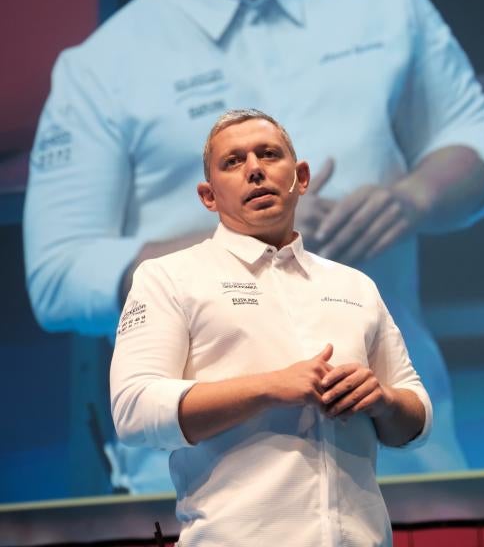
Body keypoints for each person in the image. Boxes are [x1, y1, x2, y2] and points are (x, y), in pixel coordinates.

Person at [23, 0, 484, 491]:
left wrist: (411, 198)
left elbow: (474, 140)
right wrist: (251, 240)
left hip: (398, 447)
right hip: (200, 474)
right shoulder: (101, 67)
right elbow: (58, 277)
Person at [110, 108, 433, 547]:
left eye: (268, 155)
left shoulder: (354, 284)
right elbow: (134, 409)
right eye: (233, 162)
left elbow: (416, 420)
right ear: (208, 196)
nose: (255, 170)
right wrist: (269, 387)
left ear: (300, 177)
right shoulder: (168, 277)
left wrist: (383, 399)